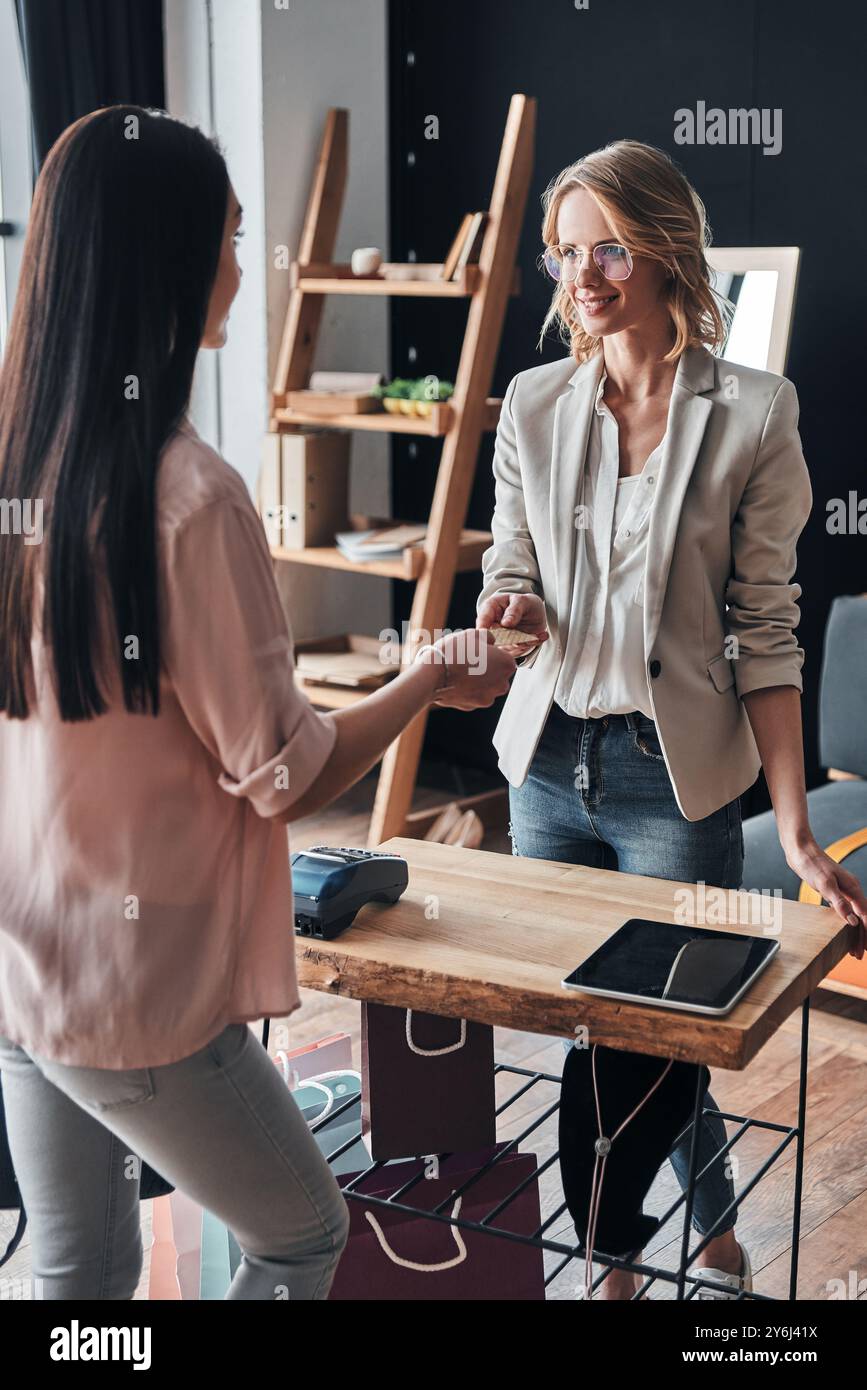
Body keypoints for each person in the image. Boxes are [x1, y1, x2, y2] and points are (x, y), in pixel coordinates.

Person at [0, 105, 516, 1300]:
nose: (246, 260)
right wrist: (430, 674)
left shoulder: (26, 464)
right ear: (173, 256)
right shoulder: (190, 498)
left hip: (29, 961)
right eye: (233, 234)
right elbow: (284, 770)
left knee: (78, 1277)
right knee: (298, 1234)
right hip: (139, 994)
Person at [476, 139, 867, 1300]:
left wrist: (796, 831)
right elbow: (513, 556)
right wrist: (510, 601)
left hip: (674, 784)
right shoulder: (534, 402)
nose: (584, 276)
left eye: (607, 246)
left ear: (661, 245)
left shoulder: (753, 410)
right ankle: (674, 1238)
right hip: (548, 768)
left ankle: (629, 1245)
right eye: (564, 253)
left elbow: (768, 633)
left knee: (665, 1028)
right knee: (602, 1032)